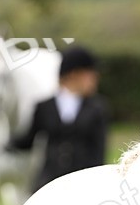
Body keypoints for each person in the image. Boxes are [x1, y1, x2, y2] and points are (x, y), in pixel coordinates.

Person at [9, 45, 108, 194]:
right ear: (74, 74)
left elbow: (98, 152)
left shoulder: (97, 109)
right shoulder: (44, 106)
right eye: (90, 74)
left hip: (84, 185)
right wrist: (5, 141)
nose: (95, 78)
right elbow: (27, 141)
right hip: (49, 184)